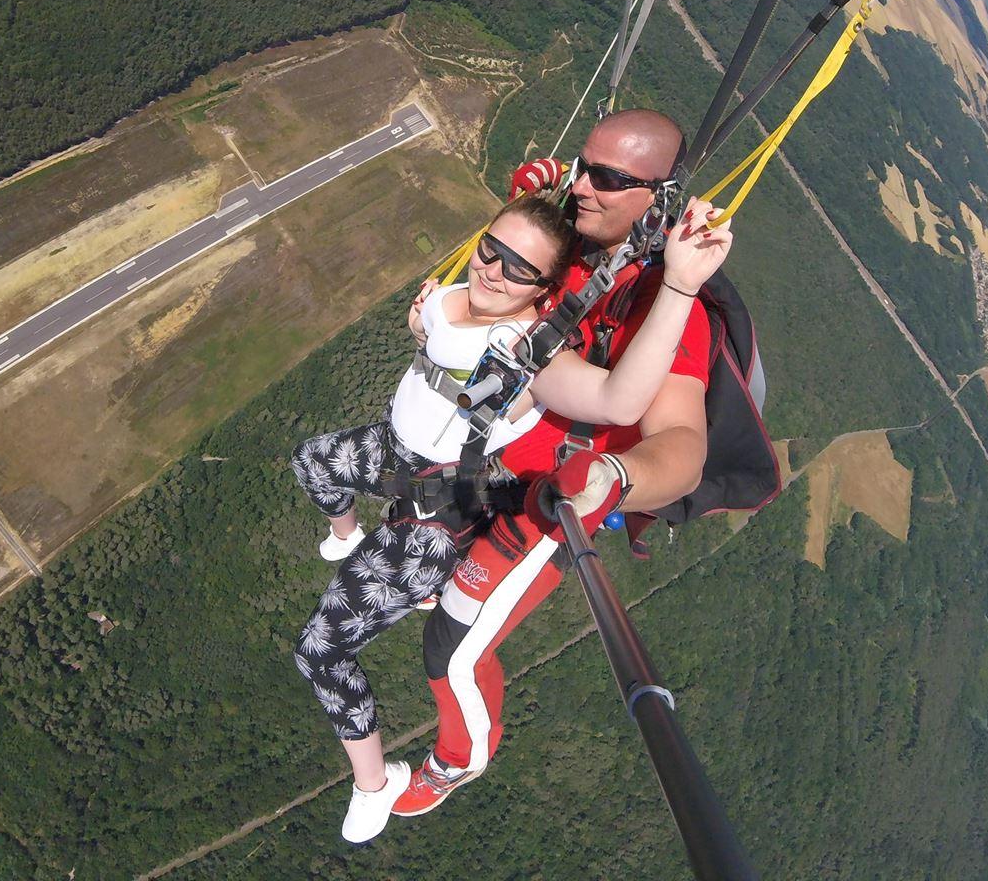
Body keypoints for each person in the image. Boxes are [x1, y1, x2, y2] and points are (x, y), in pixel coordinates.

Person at [290, 191, 733, 842]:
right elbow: (513, 259)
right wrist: (427, 329)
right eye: (488, 251)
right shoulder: (524, 270)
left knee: (439, 654)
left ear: (544, 289)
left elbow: (623, 402)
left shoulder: (528, 343)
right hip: (422, 466)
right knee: (313, 462)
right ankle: (351, 539)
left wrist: (679, 287)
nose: (493, 269)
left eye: (517, 269)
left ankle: (422, 772)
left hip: (495, 501)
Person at [395, 107, 714, 817]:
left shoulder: (663, 311)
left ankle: (457, 759)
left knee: (450, 648)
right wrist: (539, 177)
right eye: (581, 166)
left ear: (656, 198)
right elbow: (528, 208)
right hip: (485, 463)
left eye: (606, 178)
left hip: (547, 503)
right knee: (402, 519)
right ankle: (432, 562)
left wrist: (615, 479)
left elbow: (683, 447)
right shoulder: (574, 247)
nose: (582, 187)